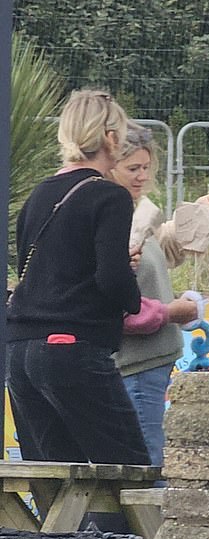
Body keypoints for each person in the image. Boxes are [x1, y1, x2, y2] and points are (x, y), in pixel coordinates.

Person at [6, 89, 150, 465]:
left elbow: (40, 270)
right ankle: (125, 529)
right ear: (111, 137)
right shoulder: (110, 196)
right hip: (73, 347)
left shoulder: (38, 195)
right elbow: (112, 280)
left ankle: (57, 530)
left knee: (55, 478)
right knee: (125, 470)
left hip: (20, 349)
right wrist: (132, 296)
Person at [108, 121, 209, 467]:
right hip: (134, 364)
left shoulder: (137, 211)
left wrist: (195, 217)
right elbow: (114, 304)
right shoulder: (112, 219)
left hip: (151, 362)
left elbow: (159, 249)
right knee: (145, 466)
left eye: (146, 167)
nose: (142, 176)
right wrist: (173, 313)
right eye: (132, 168)